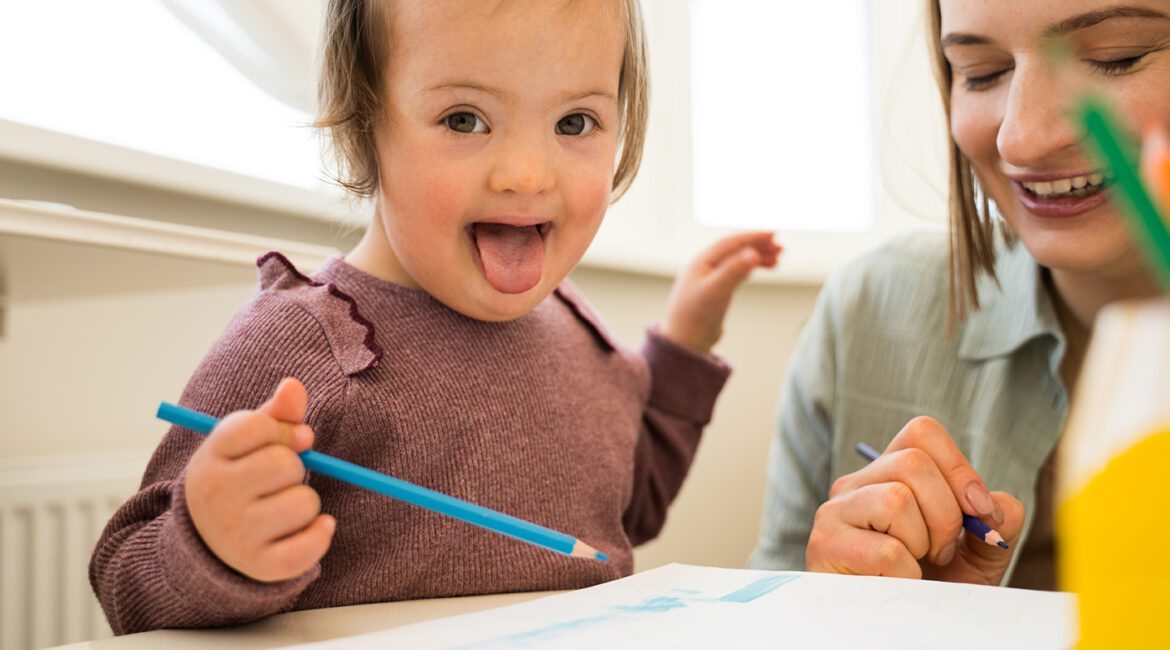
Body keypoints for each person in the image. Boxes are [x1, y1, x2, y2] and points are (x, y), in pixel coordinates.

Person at [90, 0, 780, 634]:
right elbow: (126, 580)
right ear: (365, 129)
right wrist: (210, 544)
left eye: (575, 122)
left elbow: (630, 511)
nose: (526, 173)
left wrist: (686, 345)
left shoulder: (579, 330)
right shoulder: (304, 342)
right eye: (464, 119)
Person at [749, 0, 1168, 590]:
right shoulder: (869, 311)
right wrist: (843, 612)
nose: (1022, 139)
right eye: (981, 73)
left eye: (1114, 58)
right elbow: (764, 613)